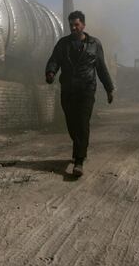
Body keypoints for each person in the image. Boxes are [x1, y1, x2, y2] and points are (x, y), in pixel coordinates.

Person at [45, 10, 114, 177]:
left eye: (76, 25)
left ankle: (79, 161)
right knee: (71, 124)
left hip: (86, 90)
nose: (74, 28)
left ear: (83, 25)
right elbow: (54, 59)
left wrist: (109, 88)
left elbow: (101, 68)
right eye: (71, 25)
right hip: (68, 90)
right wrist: (51, 72)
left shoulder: (94, 44)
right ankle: (79, 148)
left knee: (83, 123)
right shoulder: (63, 44)